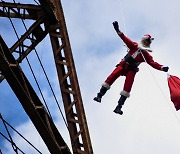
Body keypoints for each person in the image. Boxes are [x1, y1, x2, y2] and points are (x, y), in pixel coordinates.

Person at [93, 21, 169, 115]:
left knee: (127, 87)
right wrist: (118, 30)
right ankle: (99, 95)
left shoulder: (146, 55)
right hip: (124, 65)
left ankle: (119, 107)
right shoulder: (134, 46)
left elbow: (153, 63)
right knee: (112, 77)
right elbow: (125, 39)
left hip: (132, 70)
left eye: (147, 42)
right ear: (142, 41)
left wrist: (162, 67)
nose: (145, 43)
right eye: (145, 41)